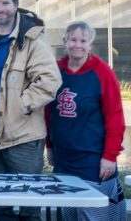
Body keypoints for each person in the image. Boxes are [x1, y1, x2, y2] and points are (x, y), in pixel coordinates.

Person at [0, 0, 61, 221]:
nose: (0, 8)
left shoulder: (32, 38)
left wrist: (21, 105)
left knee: (29, 202)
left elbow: (50, 80)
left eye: (5, 3)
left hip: (23, 138)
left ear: (16, 5)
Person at [46, 21, 126, 220]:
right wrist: (49, 146)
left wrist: (110, 156)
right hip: (63, 159)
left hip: (92, 160)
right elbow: (48, 112)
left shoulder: (103, 73)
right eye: (73, 39)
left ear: (90, 44)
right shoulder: (56, 71)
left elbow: (115, 116)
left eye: (83, 40)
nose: (77, 45)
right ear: (65, 41)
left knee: (93, 215)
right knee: (69, 214)